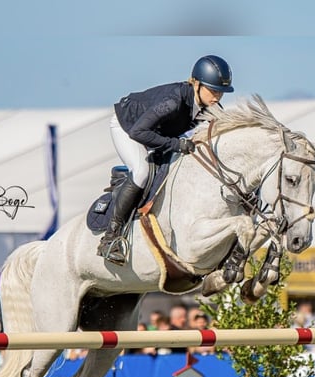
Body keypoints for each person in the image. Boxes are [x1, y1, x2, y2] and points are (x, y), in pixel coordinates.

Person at [97, 55, 235, 264]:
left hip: (155, 132)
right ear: (195, 83)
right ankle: (111, 238)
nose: (217, 96)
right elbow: (139, 132)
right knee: (142, 171)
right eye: (213, 90)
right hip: (128, 127)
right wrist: (175, 144)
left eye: (221, 92)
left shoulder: (211, 108)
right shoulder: (173, 101)